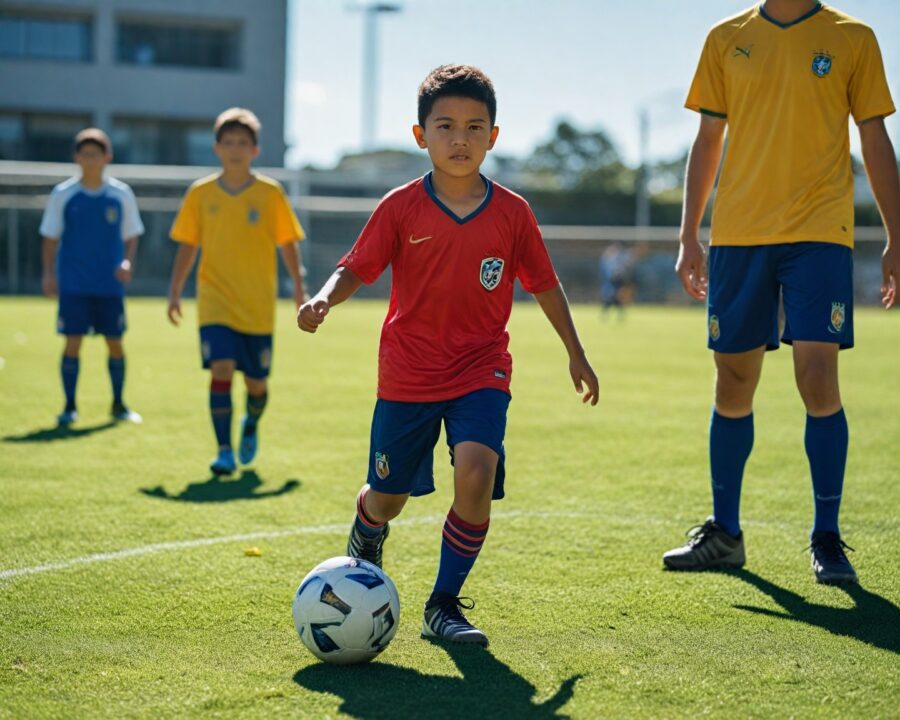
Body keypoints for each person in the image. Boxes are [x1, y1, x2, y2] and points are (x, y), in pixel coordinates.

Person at [298, 64, 599, 645]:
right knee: (389, 500)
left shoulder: (513, 213)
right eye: (445, 126)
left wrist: (576, 353)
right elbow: (357, 266)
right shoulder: (400, 206)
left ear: (494, 135)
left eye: (474, 126)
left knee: (476, 473)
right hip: (408, 372)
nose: (460, 139)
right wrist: (324, 298)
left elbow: (543, 284)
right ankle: (367, 530)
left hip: (481, 368)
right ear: (421, 136)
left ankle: (443, 606)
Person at [666, 0, 898, 584]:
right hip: (740, 234)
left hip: (821, 232)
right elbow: (708, 138)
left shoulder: (854, 37)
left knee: (817, 375)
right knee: (734, 380)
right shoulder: (726, 37)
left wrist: (896, 235)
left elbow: (874, 139)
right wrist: (689, 233)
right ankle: (725, 533)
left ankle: (827, 537)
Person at [167, 108, 306, 475]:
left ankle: (251, 422)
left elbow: (288, 243)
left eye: (243, 143)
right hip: (215, 300)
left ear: (255, 150)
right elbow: (187, 245)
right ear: (216, 148)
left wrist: (299, 290)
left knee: (257, 384)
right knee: (221, 368)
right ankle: (224, 450)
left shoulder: (269, 193)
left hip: (257, 304)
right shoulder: (200, 193)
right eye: (228, 142)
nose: (235, 149)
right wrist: (175, 292)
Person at [40, 128, 145, 426]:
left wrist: (126, 262)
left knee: (115, 342)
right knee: (72, 342)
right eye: (85, 154)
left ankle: (119, 404)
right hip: (73, 283)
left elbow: (132, 235)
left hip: (109, 285)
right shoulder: (64, 194)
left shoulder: (120, 194)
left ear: (107, 157)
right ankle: (69, 406)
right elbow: (49, 237)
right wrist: (49, 274)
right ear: (77, 158)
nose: (90, 160)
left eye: (96, 154)